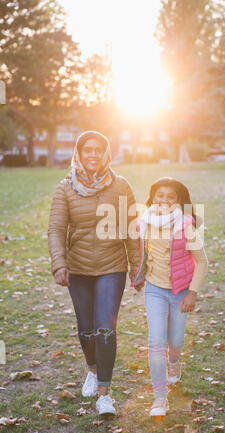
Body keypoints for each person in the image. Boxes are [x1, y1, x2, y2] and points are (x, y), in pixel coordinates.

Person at [48, 130, 141, 415]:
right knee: (86, 329)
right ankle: (91, 369)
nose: (92, 155)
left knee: (104, 328)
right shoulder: (66, 188)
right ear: (79, 153)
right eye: (87, 150)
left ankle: (104, 393)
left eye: (97, 150)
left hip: (112, 266)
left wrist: (138, 267)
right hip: (78, 268)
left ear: (105, 154)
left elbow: (132, 230)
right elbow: (56, 229)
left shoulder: (121, 185)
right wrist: (59, 262)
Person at [131, 177, 208, 417]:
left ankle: (174, 361)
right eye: (160, 195)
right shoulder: (145, 221)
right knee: (156, 341)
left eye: (170, 197)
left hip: (181, 291)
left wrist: (192, 293)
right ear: (153, 198)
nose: (164, 200)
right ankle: (160, 398)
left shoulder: (186, 225)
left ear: (179, 201)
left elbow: (202, 262)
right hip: (154, 289)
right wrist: (138, 276)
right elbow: (139, 251)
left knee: (174, 341)